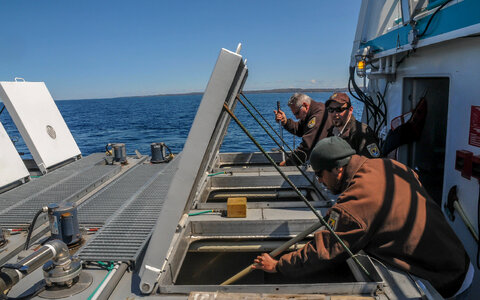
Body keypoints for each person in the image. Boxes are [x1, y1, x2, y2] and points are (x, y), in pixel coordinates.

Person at [252, 137, 473, 299]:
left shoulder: (354, 204)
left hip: (442, 280)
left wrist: (279, 265)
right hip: (459, 259)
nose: (318, 181)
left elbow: (325, 250)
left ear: (338, 170)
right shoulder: (389, 165)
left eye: (320, 174)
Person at [274, 93, 331, 166]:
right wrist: (285, 122)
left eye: (297, 113)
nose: (297, 117)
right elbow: (299, 129)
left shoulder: (318, 115)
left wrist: (286, 164)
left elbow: (307, 147)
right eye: (295, 114)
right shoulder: (312, 111)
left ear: (305, 106)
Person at [325, 92, 380, 158]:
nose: (334, 114)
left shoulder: (362, 133)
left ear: (350, 110)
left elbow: (373, 163)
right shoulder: (331, 131)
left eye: (339, 109)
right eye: (331, 110)